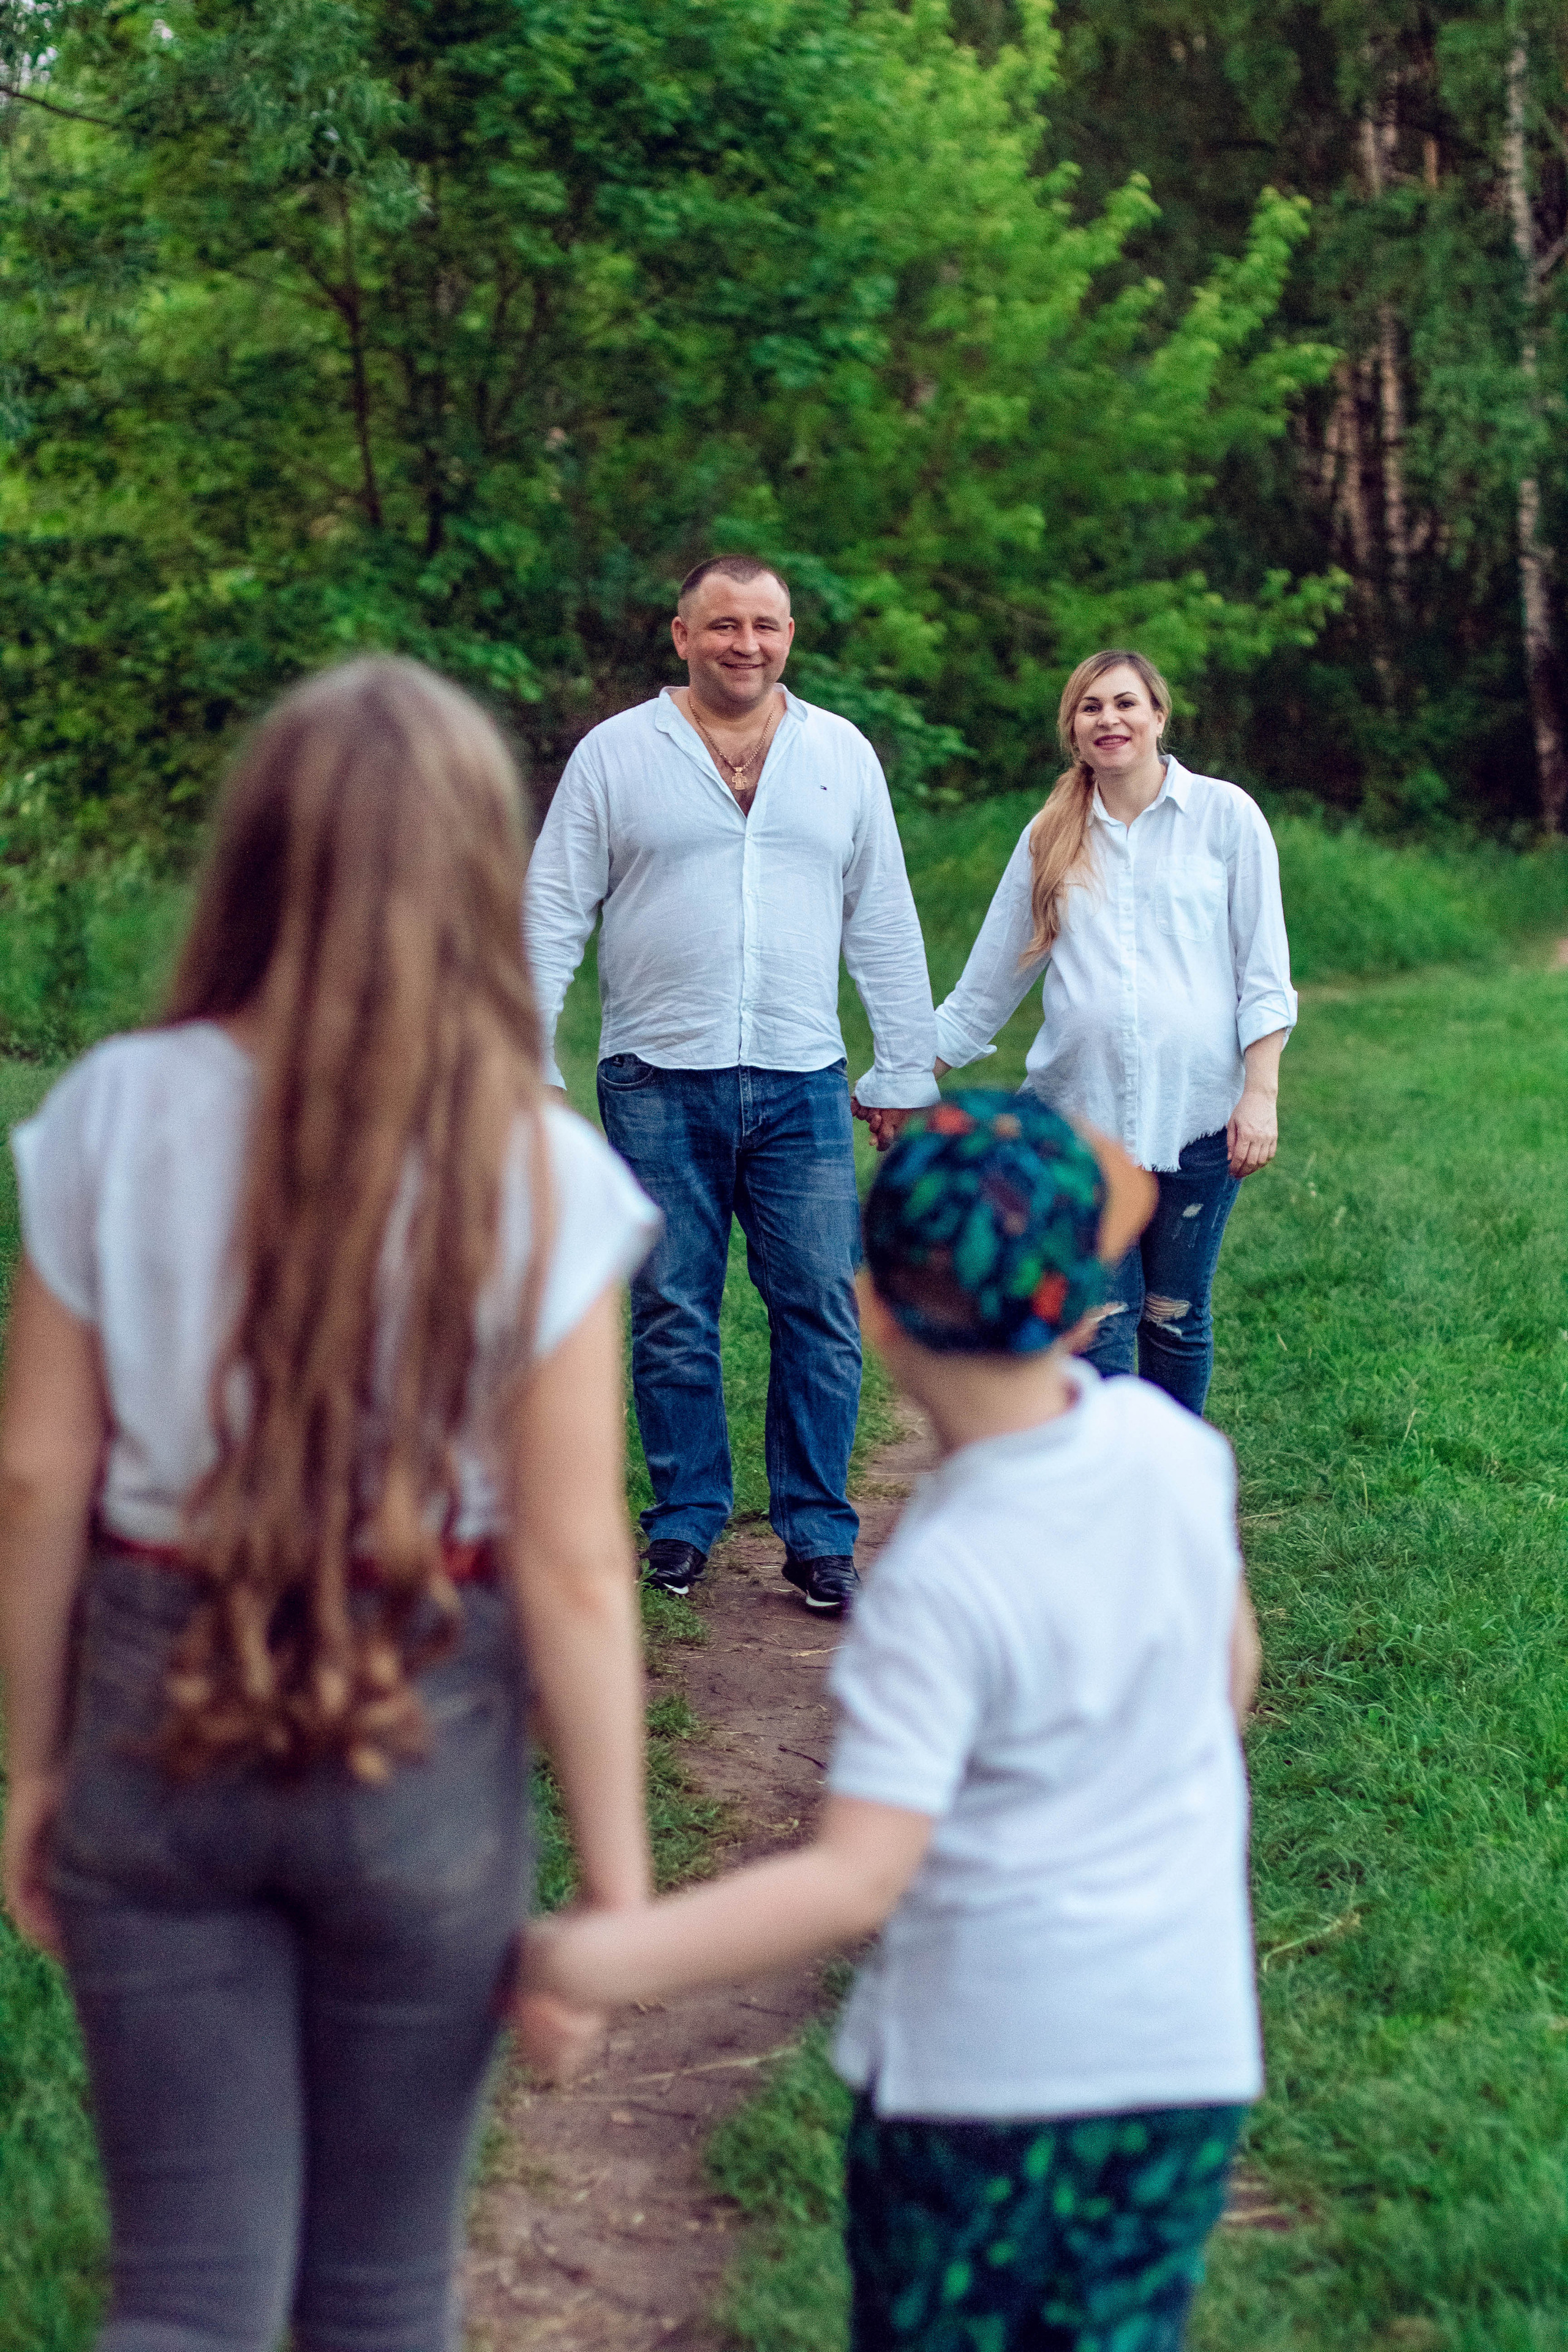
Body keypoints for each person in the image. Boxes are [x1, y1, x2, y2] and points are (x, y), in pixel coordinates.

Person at [0, 659, 658, 2352]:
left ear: (251, 859)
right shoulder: (543, 1164)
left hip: (161, 1714)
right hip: (422, 1737)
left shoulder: (105, 1117)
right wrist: (617, 1895)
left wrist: (30, 1766)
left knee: (188, 2299)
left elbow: (35, 1477)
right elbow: (579, 1563)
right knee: (379, 2295)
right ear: (474, 874)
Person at [524, 1090, 1265, 2352]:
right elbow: (1227, 1675)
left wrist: (592, 1957)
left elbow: (857, 1877)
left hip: (985, 2083)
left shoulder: (939, 1574)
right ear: (1087, 1301)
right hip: (1180, 2060)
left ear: (869, 1313)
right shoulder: (1170, 1451)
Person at [525, 554, 939, 1615]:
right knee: (672, 1306)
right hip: (657, 1075)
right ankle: (684, 1522)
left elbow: (882, 914)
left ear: (790, 635)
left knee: (819, 1307)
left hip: (804, 1076)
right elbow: (551, 910)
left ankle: (817, 1534)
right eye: (723, 625)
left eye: (765, 625)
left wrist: (901, 1063)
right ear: (682, 635)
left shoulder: (838, 753)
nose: (745, 644)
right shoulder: (618, 753)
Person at [932, 649, 1297, 1417]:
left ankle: (1173, 1500)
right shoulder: (1049, 836)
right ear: (1073, 728)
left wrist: (1258, 1095)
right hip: (1081, 1121)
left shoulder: (1225, 818)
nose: (1110, 719)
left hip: (1199, 1116)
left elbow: (1264, 973)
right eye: (1091, 707)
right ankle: (1105, 1501)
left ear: (1158, 716)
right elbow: (986, 986)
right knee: (1099, 1324)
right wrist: (904, 1074)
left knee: (1175, 1316)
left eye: (1125, 703)